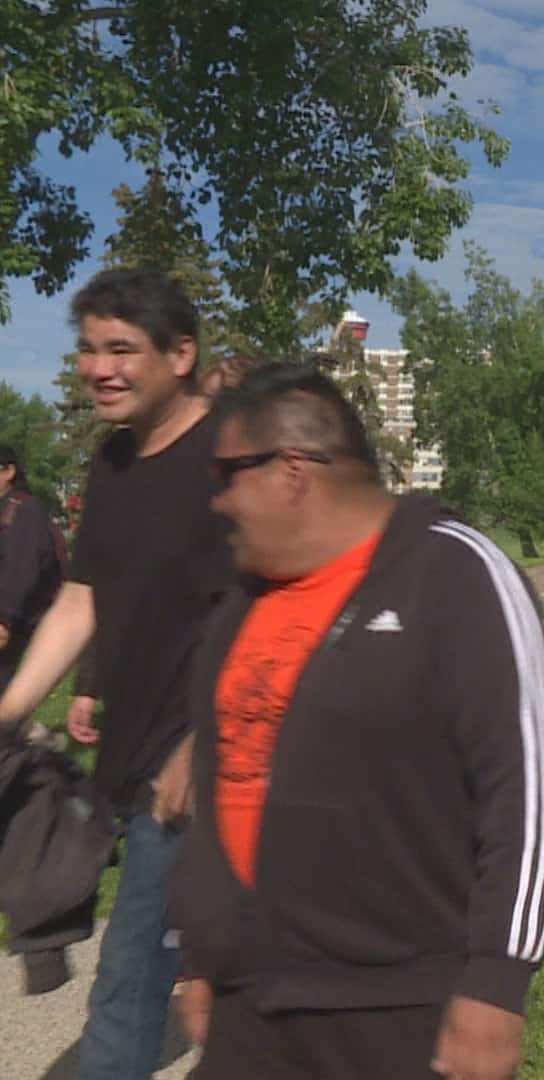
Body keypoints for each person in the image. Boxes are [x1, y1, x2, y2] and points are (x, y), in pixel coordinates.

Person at [166, 363, 544, 1078]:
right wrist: (202, 956)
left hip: (399, 1013)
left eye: (226, 474)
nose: (215, 500)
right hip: (251, 1007)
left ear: (292, 470)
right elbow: (225, 782)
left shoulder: (456, 573)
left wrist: (498, 983)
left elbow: (525, 789)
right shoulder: (239, 604)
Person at [0, 268, 233, 1078]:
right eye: (88, 349)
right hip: (133, 767)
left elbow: (291, 613)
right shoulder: (115, 462)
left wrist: (207, 740)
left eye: (121, 349)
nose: (97, 367)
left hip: (210, 771)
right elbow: (79, 598)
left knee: (127, 989)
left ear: (180, 355)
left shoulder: (233, 457)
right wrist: (11, 706)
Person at [0, 444, 64, 687]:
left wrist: (4, 617)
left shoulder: (22, 509)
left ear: (8, 472)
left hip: (18, 617)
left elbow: (22, 567)